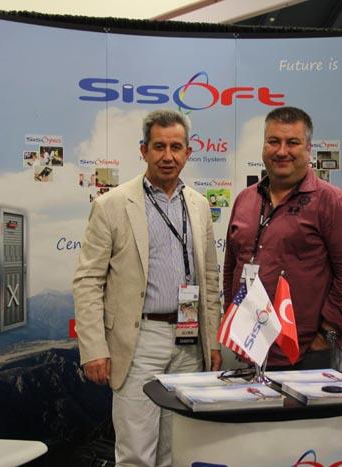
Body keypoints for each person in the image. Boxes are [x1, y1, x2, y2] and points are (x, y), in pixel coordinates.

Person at [73, 109, 222, 467]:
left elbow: (209, 279)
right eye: (159, 146)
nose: (167, 156)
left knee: (177, 448)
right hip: (140, 340)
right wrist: (93, 348)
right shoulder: (111, 205)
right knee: (136, 453)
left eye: (176, 147)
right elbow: (88, 280)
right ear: (143, 150)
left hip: (190, 340)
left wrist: (212, 340)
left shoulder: (199, 206)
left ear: (188, 152)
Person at [223, 106, 342, 370]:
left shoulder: (333, 202)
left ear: (308, 148)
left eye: (292, 142)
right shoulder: (245, 199)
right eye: (273, 141)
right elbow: (232, 266)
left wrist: (326, 336)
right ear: (263, 145)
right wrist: (231, 318)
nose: (281, 151)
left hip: (309, 354)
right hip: (251, 346)